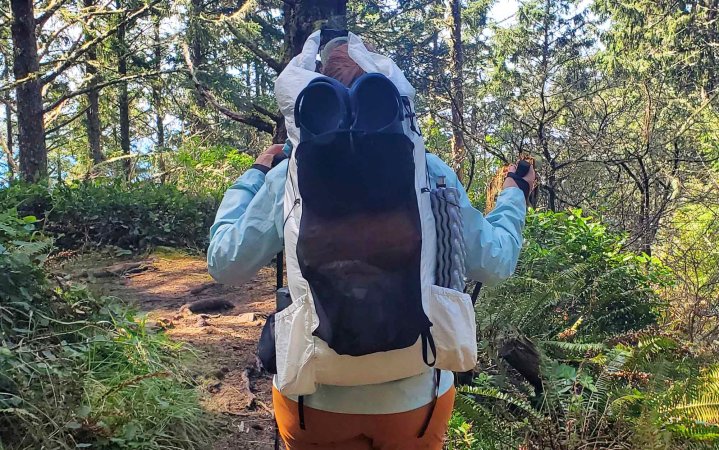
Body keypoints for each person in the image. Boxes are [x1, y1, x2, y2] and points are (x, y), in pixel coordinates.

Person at [207, 42, 535, 450]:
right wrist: (514, 193)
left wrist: (256, 173)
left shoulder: (288, 178)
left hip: (312, 399)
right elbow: (495, 262)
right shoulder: (429, 173)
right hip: (414, 401)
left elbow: (225, 262)